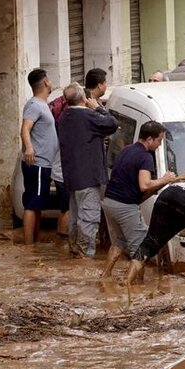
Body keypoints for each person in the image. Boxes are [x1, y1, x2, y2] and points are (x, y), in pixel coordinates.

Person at [101, 121, 177, 278]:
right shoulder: (145, 157)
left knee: (119, 241)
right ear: (149, 139)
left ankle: (105, 275)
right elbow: (144, 184)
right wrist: (164, 180)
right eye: (159, 141)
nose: (159, 144)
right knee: (142, 247)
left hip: (109, 202)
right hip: (124, 206)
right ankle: (135, 284)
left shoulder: (127, 149)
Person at [56, 83, 118, 258]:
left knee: (76, 217)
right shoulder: (87, 116)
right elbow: (112, 124)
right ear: (84, 98)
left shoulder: (64, 116)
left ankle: (75, 250)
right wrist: (98, 108)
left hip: (71, 176)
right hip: (88, 177)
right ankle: (85, 256)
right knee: (89, 218)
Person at [20, 68, 65, 245]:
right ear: (46, 82)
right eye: (50, 79)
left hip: (44, 164)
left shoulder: (42, 104)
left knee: (37, 205)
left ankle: (34, 243)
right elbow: (25, 129)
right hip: (37, 163)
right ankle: (29, 247)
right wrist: (29, 148)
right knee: (32, 204)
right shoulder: (34, 105)